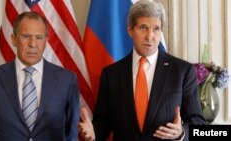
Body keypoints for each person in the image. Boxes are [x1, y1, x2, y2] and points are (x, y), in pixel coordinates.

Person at [79, 0, 206, 141]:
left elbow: (198, 123)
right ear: (130, 30)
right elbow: (103, 124)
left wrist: (181, 133)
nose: (150, 36)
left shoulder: (182, 71)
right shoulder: (111, 74)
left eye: (156, 29)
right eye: (143, 28)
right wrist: (92, 134)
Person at [0, 11, 80, 141]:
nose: (33, 44)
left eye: (39, 37)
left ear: (46, 41)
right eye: (26, 36)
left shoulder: (67, 80)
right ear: (14, 39)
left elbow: (71, 133)